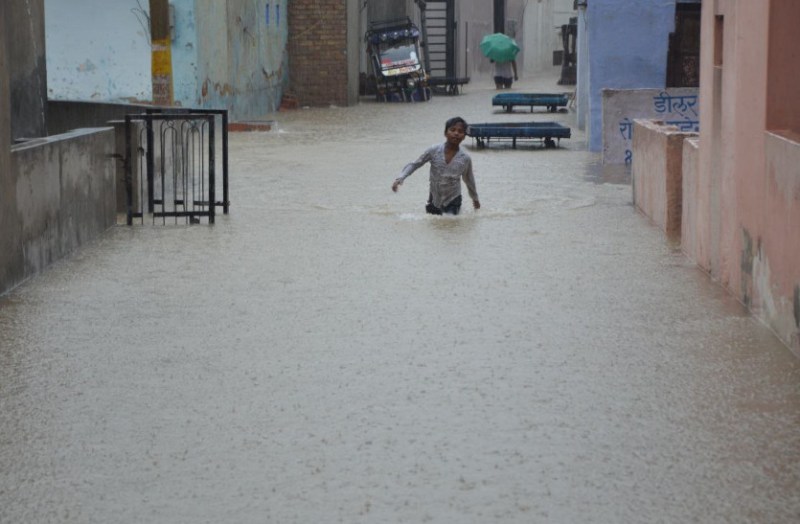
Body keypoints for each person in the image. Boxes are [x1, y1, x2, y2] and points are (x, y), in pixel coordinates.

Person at [391, 116, 480, 215]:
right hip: (434, 198)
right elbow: (415, 164)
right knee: (433, 225)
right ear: (445, 133)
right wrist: (400, 178)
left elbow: (469, 179)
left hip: (453, 199)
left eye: (460, 131)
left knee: (451, 225)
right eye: (452, 130)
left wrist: (475, 198)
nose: (456, 133)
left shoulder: (465, 158)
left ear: (464, 136)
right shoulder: (434, 150)